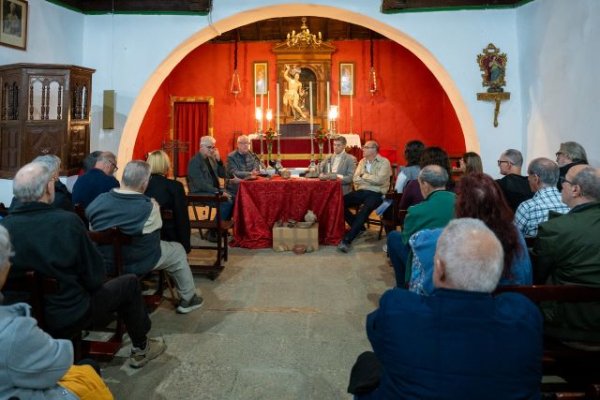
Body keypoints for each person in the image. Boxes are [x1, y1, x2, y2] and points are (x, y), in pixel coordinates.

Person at [349, 218, 542, 399]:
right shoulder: (524, 316)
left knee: (366, 364)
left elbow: (376, 332)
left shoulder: (398, 309)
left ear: (439, 267)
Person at [1, 162, 166, 369]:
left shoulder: (4, 226)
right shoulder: (67, 222)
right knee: (129, 283)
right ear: (47, 189)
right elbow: (95, 276)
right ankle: (141, 348)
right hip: (68, 313)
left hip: (21, 316)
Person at [0, 224, 115, 400]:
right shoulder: (12, 331)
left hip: (38, 315)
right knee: (88, 368)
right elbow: (58, 363)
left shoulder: (9, 223)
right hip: (66, 314)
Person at [87, 160, 203, 314]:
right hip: (138, 260)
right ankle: (188, 298)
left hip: (104, 261)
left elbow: (92, 224)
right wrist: (154, 205)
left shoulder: (100, 200)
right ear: (145, 183)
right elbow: (154, 232)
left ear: (123, 178)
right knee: (177, 250)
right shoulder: (148, 207)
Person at [410, 173, 532, 295]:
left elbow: (418, 292)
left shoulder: (436, 239)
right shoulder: (515, 235)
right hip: (509, 307)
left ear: (460, 206)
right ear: (500, 202)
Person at [532, 165, 600, 343]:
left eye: (565, 181)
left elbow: (538, 276)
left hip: (566, 326)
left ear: (576, 190)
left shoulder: (555, 229)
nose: (561, 185)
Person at [387, 165, 456, 287]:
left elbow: (406, 240)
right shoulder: (462, 203)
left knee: (393, 237)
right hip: (456, 257)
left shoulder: (416, 211)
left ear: (425, 184)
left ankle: (402, 286)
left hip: (427, 262)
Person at [337, 140, 391, 253]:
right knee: (338, 203)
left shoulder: (384, 162)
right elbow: (355, 178)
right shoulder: (362, 161)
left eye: (366, 147)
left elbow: (380, 180)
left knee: (364, 210)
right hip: (362, 191)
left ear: (374, 149)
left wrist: (363, 176)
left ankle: (347, 240)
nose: (363, 149)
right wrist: (369, 178)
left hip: (377, 193)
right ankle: (359, 227)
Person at [144, 150, 191, 253]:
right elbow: (182, 218)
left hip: (144, 236)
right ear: (166, 165)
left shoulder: (140, 185)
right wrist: (185, 245)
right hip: (169, 236)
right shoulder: (175, 186)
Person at [515, 157, 569, 238]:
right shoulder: (570, 203)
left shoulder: (527, 207)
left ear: (536, 179)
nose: (528, 179)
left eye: (529, 175)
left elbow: (513, 238)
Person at [187, 135, 235, 221]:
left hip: (213, 190)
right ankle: (215, 229)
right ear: (201, 147)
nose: (212, 150)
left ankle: (220, 228)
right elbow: (201, 185)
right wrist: (219, 192)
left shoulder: (211, 159)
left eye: (213, 147)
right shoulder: (194, 162)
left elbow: (223, 175)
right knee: (227, 202)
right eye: (209, 147)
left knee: (235, 198)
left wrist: (219, 161)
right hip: (200, 193)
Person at [9, 154, 73, 212]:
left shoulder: (18, 196)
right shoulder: (60, 199)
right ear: (54, 173)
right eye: (58, 168)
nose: (60, 170)